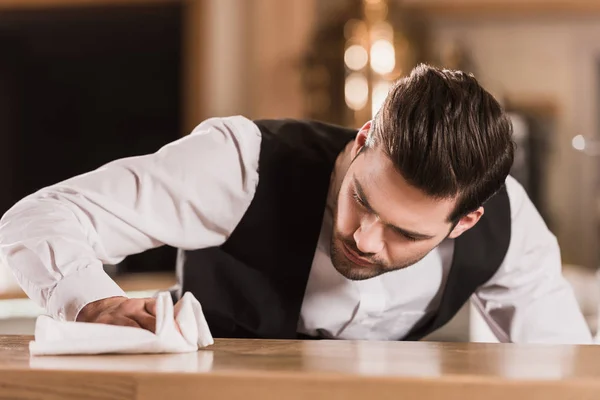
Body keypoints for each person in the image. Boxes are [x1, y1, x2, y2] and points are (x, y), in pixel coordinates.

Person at [0, 64, 592, 343]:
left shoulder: (510, 225)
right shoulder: (241, 164)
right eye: (363, 199)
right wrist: (90, 302)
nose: (363, 238)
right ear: (363, 140)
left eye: (405, 234)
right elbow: (40, 215)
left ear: (465, 221)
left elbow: (565, 370)